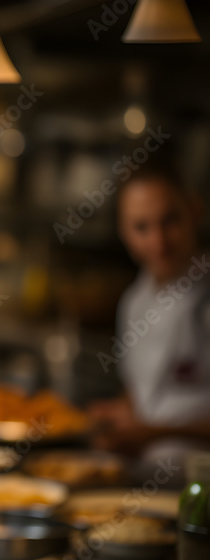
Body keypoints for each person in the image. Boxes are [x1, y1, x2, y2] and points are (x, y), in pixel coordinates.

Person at [90, 169, 210, 463]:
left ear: (195, 210)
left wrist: (153, 434)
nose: (158, 242)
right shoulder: (134, 301)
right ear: (123, 232)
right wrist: (116, 413)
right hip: (140, 477)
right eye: (141, 227)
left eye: (170, 221)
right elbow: (144, 393)